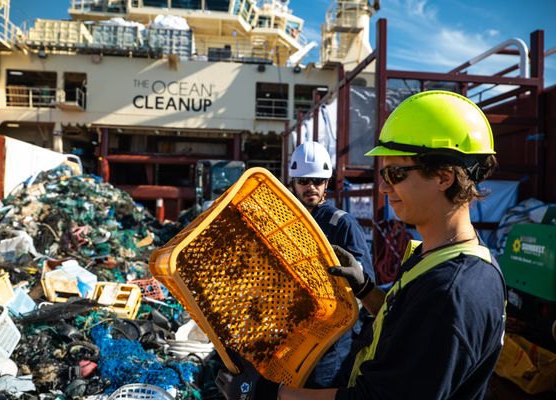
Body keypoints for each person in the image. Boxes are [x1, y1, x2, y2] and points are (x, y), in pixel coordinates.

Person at [215, 90, 507, 400]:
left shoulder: (452, 291)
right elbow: (404, 331)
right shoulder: (437, 258)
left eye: (396, 173)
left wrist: (268, 393)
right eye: (384, 173)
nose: (383, 187)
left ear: (444, 176)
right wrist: (365, 288)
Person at [288, 140, 374, 388]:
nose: (311, 187)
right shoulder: (290, 222)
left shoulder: (342, 224)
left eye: (317, 181)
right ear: (293, 183)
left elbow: (366, 282)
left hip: (335, 341)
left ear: (327, 183)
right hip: (298, 333)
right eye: (304, 181)